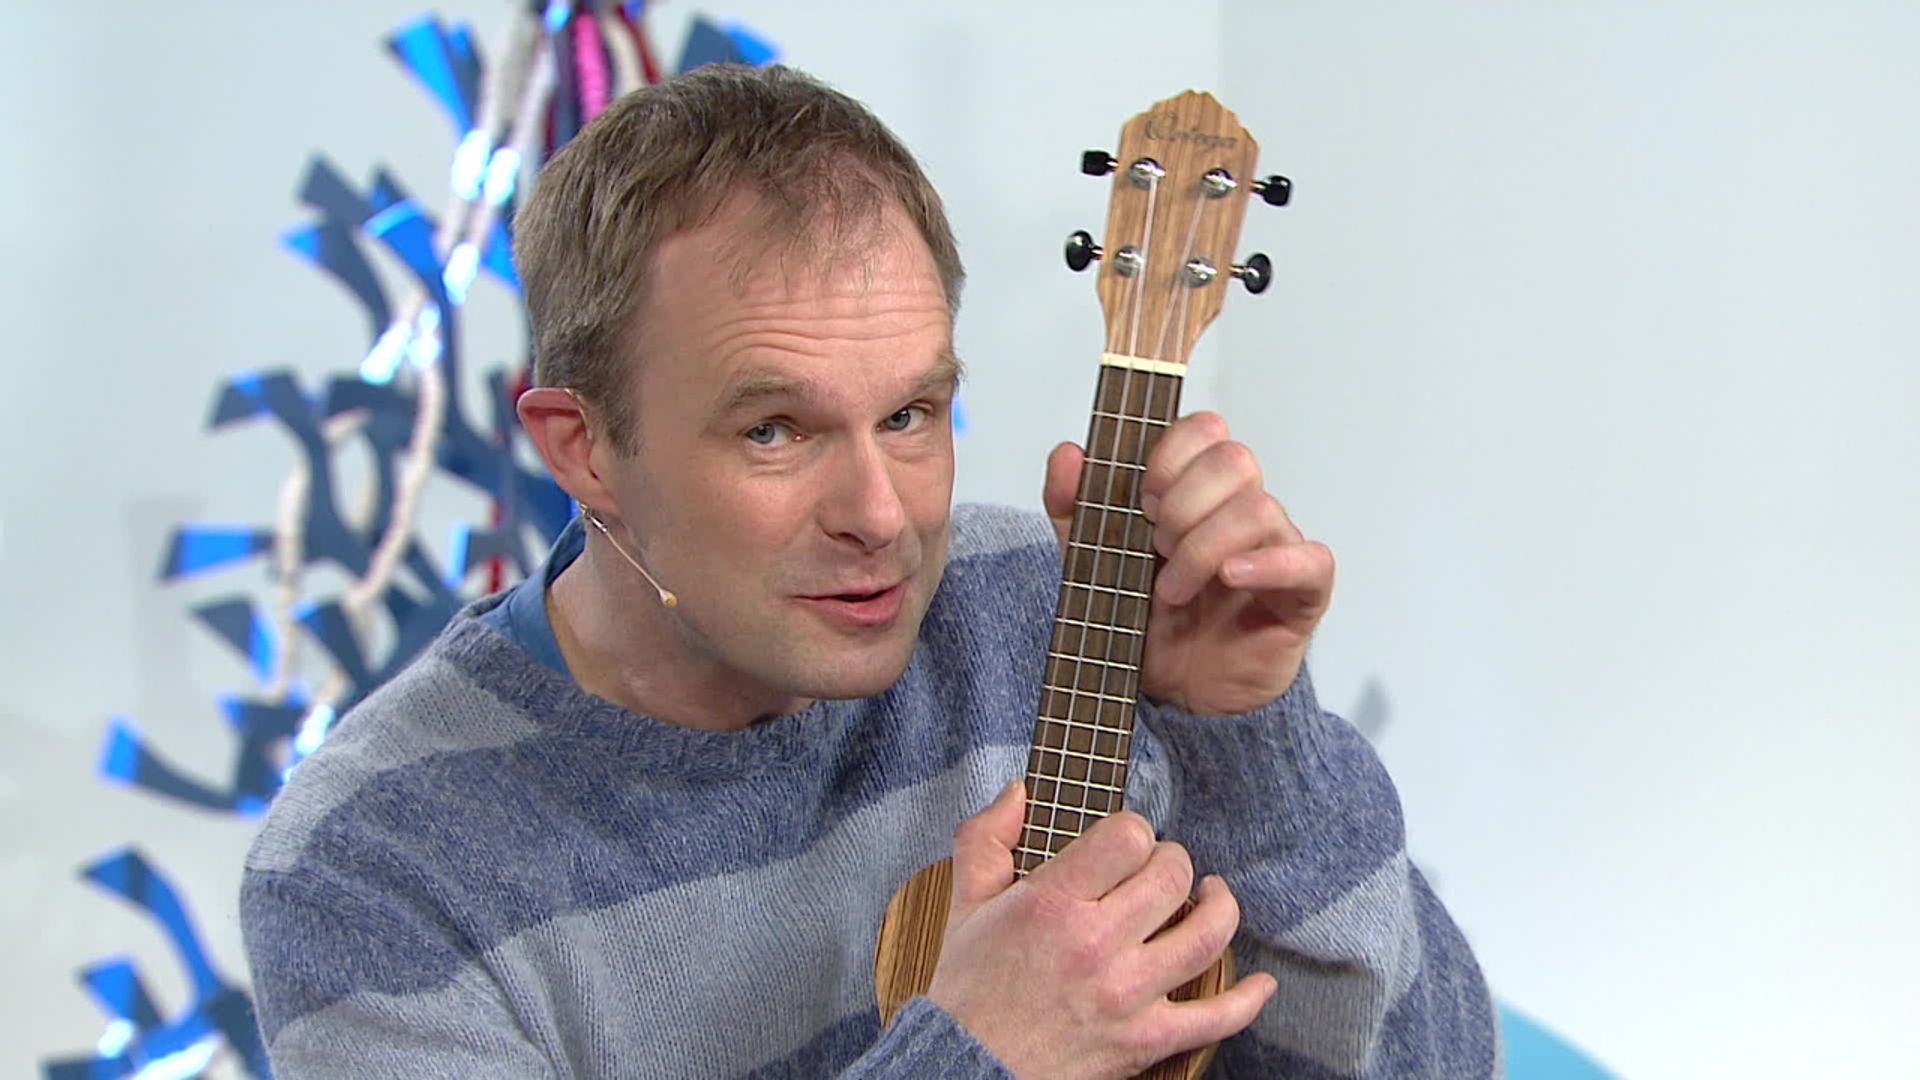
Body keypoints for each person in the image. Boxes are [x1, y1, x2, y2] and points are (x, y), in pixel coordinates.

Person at [240, 62, 1500, 1078]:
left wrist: (1246, 740)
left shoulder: (1046, 600)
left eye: (910, 414)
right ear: (585, 449)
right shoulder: (372, 867)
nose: (881, 516)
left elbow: (1434, 1063)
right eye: (774, 430)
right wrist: (979, 1052)